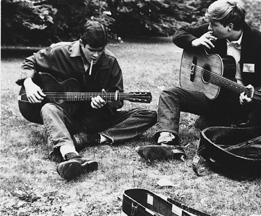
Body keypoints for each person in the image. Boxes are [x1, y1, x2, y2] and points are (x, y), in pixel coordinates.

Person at [136, 0, 261, 161]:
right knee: (169, 94)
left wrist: (253, 93)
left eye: (214, 24)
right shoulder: (212, 33)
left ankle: (226, 125)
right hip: (213, 99)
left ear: (230, 27)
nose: (209, 28)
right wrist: (194, 41)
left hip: (241, 106)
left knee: (228, 127)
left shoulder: (257, 40)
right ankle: (167, 142)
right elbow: (179, 33)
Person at [16, 19, 157, 180]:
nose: (96, 55)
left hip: (97, 120)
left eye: (100, 50)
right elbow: (29, 62)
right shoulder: (60, 52)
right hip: (69, 118)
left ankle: (91, 138)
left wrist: (107, 102)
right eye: (92, 50)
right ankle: (71, 155)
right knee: (48, 108)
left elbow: (117, 97)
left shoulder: (110, 62)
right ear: (81, 43)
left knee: (149, 115)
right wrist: (29, 83)